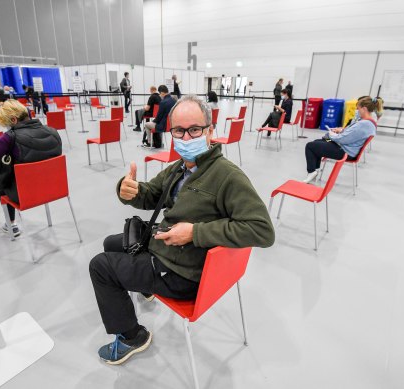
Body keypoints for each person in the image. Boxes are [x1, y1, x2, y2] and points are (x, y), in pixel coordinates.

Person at [89, 95, 275, 365]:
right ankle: (146, 287)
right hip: (167, 247)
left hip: (184, 271)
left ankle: (132, 336)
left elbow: (262, 230)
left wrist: (195, 233)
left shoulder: (228, 177)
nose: (186, 138)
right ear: (171, 132)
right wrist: (129, 190)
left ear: (210, 131)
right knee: (111, 243)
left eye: (195, 130)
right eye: (179, 131)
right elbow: (152, 195)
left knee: (100, 266)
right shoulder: (180, 167)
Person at [0, 100, 62, 236]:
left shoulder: (10, 138)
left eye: (6, 124)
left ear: (13, 119)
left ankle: (11, 224)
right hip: (53, 189)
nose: (6, 128)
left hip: (25, 195)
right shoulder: (53, 131)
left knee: (2, 181)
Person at [302, 96, 381, 184]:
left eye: (358, 109)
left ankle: (311, 171)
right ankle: (315, 171)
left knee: (310, 146)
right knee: (318, 142)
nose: (357, 111)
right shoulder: (366, 122)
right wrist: (338, 132)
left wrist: (332, 135)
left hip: (344, 150)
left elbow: (343, 139)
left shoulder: (364, 124)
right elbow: (350, 133)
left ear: (364, 109)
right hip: (344, 147)